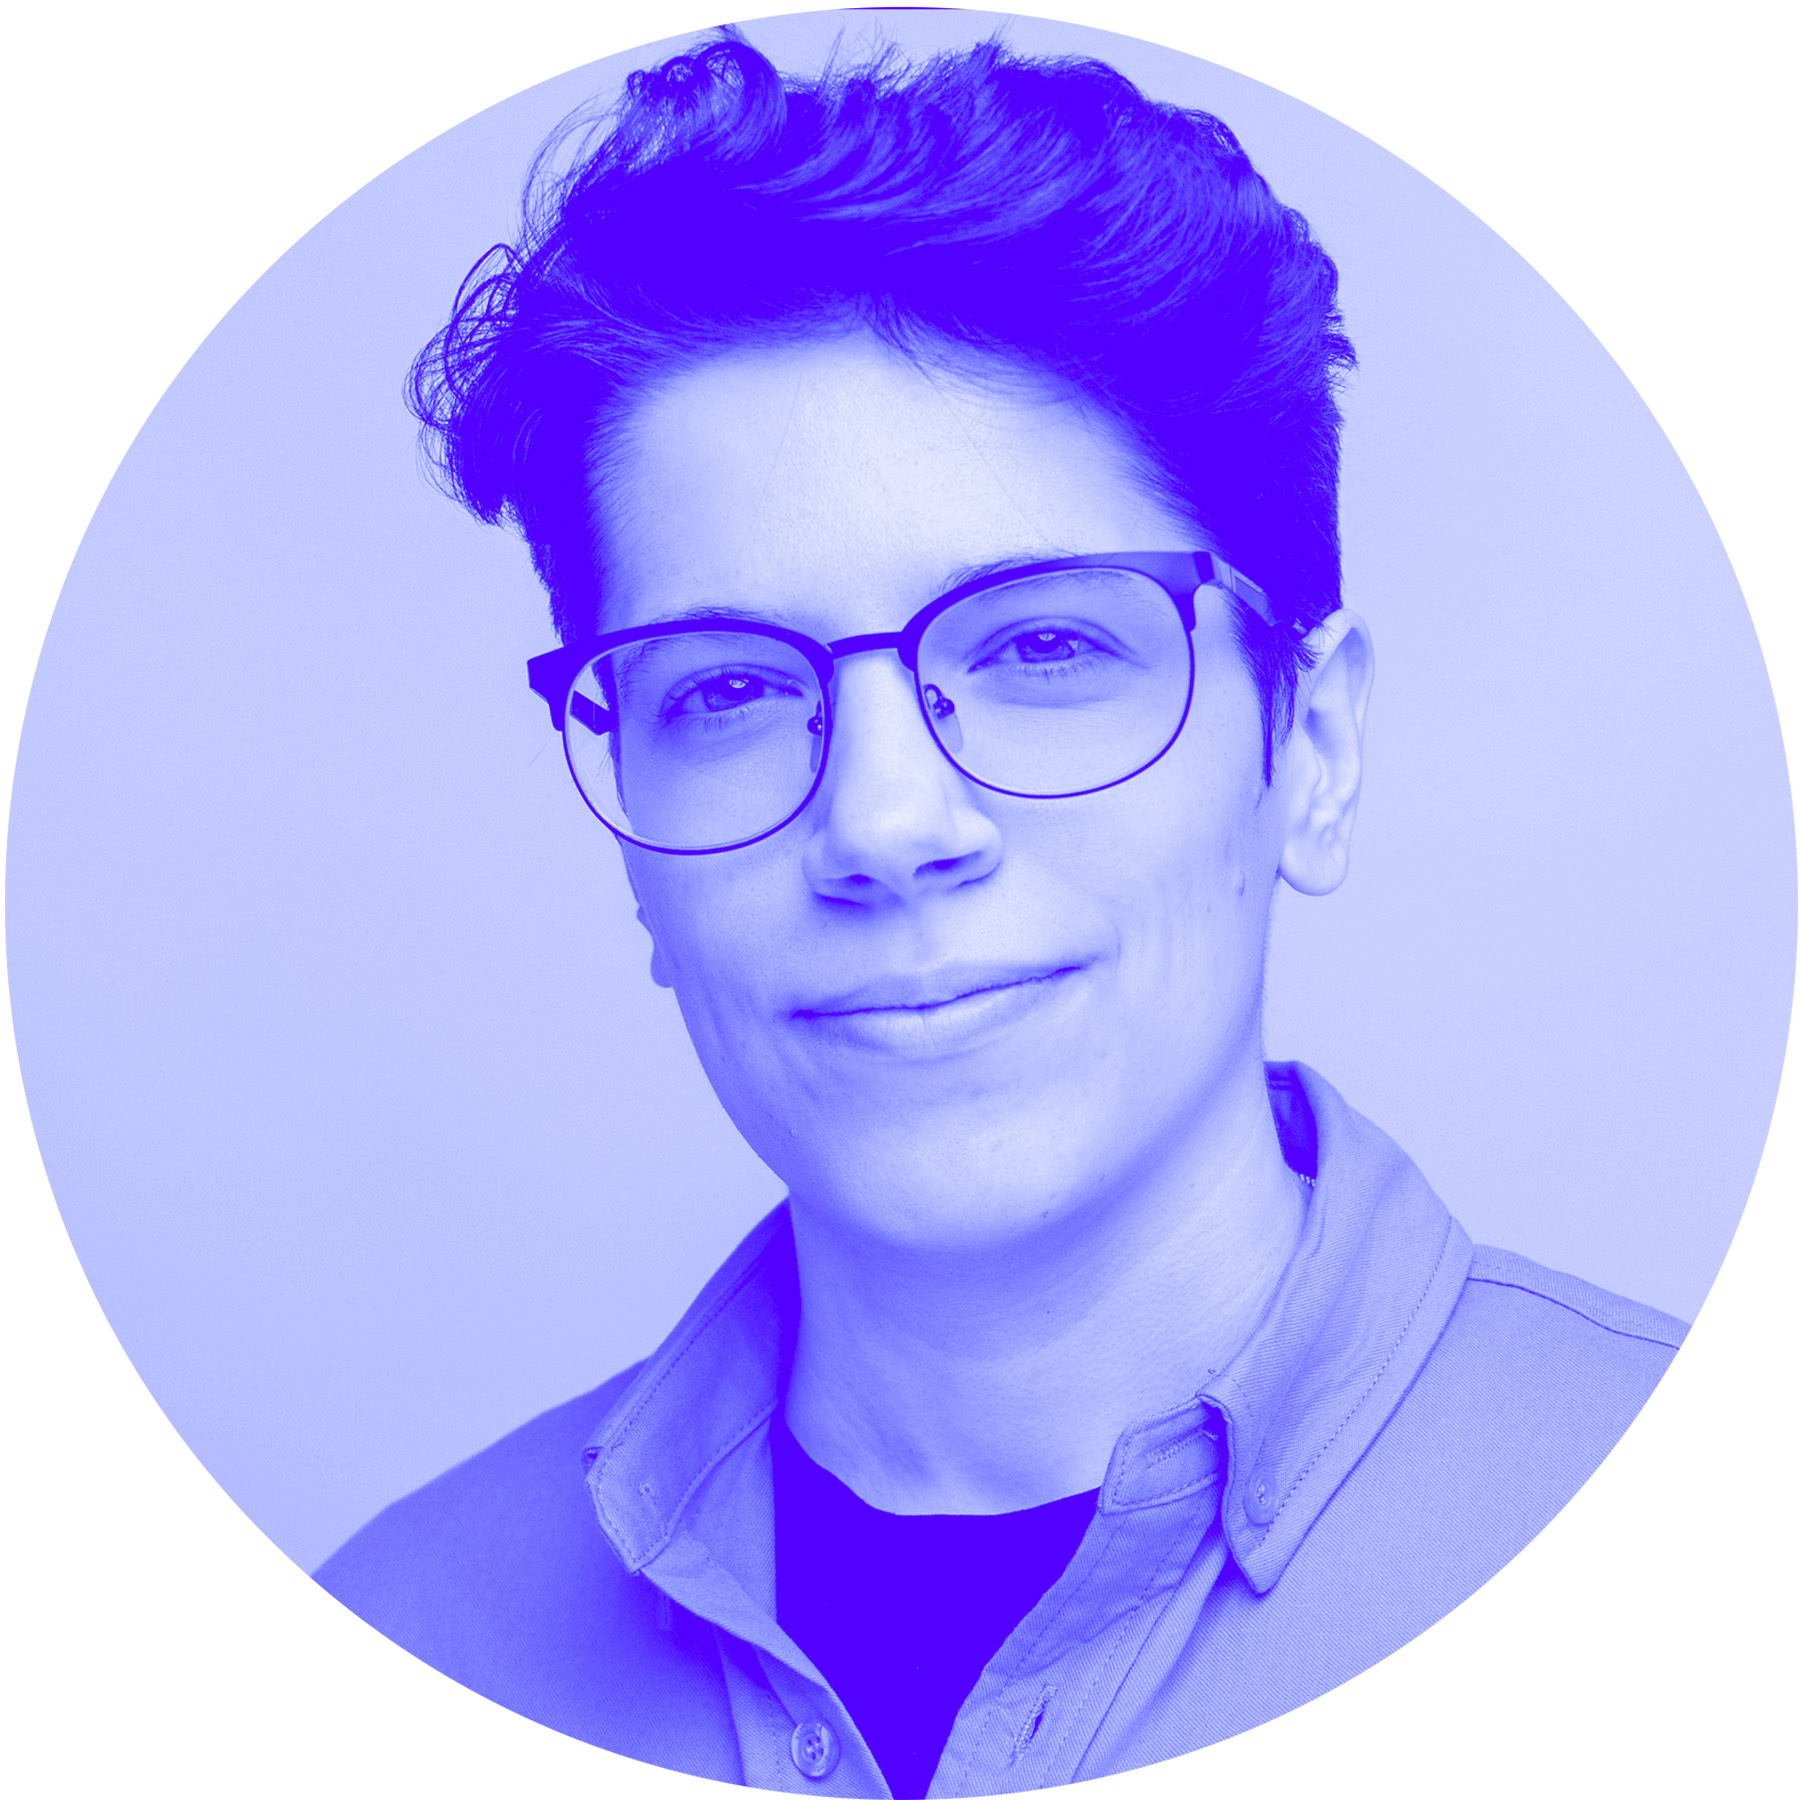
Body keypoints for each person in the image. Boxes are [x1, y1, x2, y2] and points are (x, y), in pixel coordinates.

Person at [316, 32, 1684, 1795]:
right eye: (729, 689)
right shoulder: (391, 1656)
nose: (885, 829)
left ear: (1312, 747)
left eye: (1044, 645)